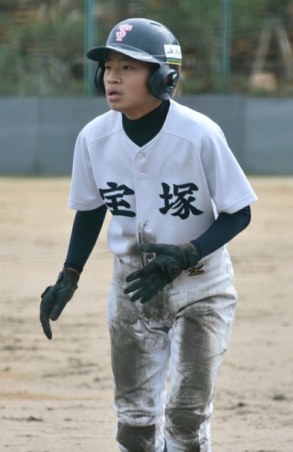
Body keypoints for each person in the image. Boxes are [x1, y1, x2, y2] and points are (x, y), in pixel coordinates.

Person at [39, 18, 257, 452]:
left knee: (187, 418)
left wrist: (188, 252)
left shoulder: (199, 134)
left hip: (200, 286)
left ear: (163, 78)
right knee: (134, 422)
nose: (112, 77)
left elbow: (240, 212)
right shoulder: (93, 138)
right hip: (132, 288)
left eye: (128, 67)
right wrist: (69, 274)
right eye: (107, 67)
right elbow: (91, 209)